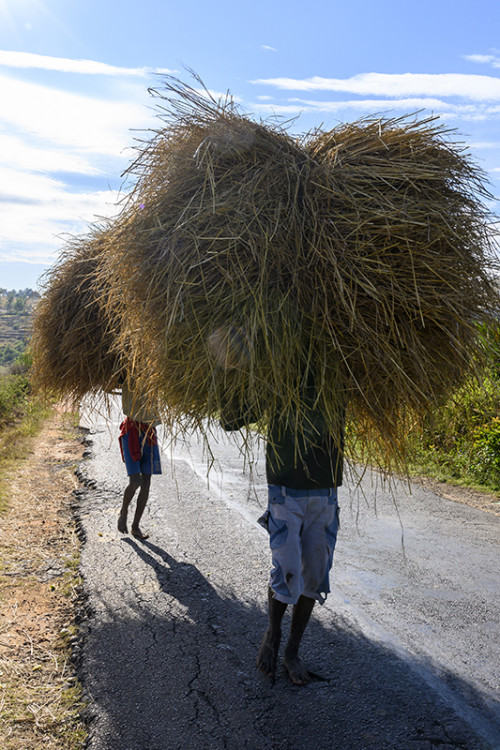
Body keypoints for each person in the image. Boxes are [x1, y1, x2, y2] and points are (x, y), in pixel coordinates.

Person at [211, 329, 344, 685]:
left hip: (326, 489)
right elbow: (231, 419)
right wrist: (229, 366)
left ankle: (292, 651)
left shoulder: (341, 370)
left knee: (314, 576)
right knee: (287, 571)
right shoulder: (278, 376)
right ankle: (273, 635)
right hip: (286, 489)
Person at [117, 377, 162, 541]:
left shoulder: (157, 373)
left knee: (146, 482)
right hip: (132, 433)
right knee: (135, 481)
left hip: (149, 433)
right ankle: (124, 511)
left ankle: (136, 525)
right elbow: (116, 379)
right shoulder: (128, 373)